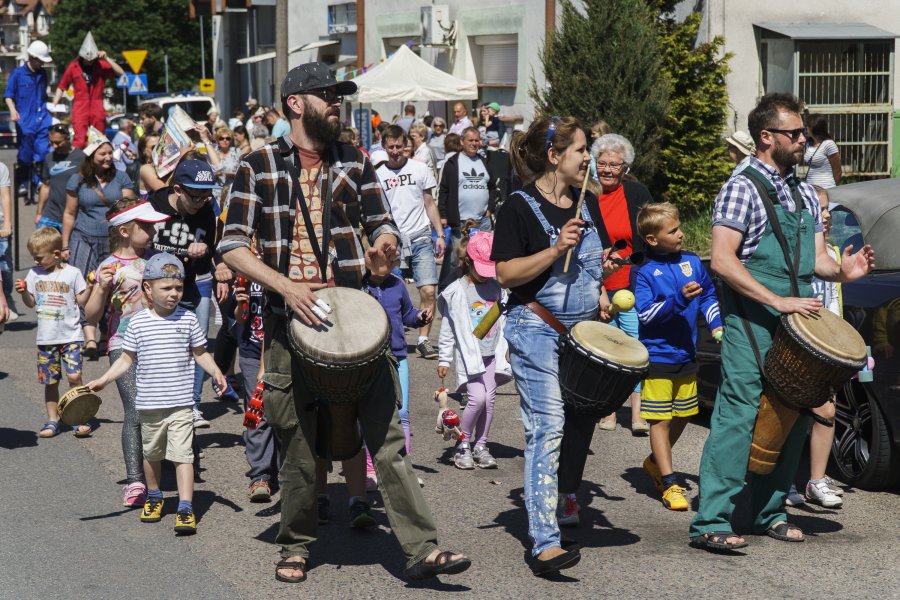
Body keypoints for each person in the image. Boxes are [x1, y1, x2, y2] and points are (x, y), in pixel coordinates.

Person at [218, 61, 470, 584]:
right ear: (295, 103)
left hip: (356, 320)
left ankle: (422, 549)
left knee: (387, 438)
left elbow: (381, 221)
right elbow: (232, 244)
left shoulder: (354, 159)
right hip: (290, 322)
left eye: (339, 95)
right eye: (327, 95)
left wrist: (385, 242)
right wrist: (283, 285)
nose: (337, 103)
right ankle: (296, 545)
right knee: (298, 442)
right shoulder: (257, 163)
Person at [689, 92, 875, 551]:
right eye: (794, 133)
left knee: (793, 410)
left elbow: (814, 261)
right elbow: (722, 260)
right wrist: (777, 300)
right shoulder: (741, 187)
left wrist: (842, 270)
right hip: (751, 318)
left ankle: (767, 512)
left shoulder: (804, 192)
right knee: (738, 413)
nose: (803, 140)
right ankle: (712, 519)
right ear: (766, 137)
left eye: (804, 133)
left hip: (798, 321)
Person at [491, 116, 618, 575]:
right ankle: (544, 544)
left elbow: (589, 265)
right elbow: (505, 274)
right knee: (547, 428)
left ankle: (564, 499)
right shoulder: (519, 207)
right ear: (554, 156)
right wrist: (552, 249)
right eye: (582, 150)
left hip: (582, 334)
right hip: (536, 328)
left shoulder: (587, 205)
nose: (589, 158)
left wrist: (602, 282)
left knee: (579, 422)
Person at [88, 252, 227, 535]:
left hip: (180, 405)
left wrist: (217, 372)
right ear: (148, 289)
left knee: (183, 455)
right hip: (149, 404)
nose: (174, 294)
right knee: (151, 455)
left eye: (178, 288)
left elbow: (200, 353)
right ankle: (154, 496)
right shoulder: (138, 323)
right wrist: (103, 379)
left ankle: (186, 506)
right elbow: (126, 360)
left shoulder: (188, 320)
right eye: (167, 288)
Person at [632, 202, 722, 511]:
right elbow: (645, 314)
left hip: (688, 352)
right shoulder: (644, 272)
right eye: (673, 231)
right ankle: (669, 483)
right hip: (657, 356)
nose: (681, 233)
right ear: (652, 239)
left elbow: (708, 294)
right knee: (660, 420)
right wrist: (678, 300)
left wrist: (716, 324)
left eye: (679, 226)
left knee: (685, 413)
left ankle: (656, 461)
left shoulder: (693, 262)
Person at [84, 198, 170, 507]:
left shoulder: (158, 260)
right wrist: (101, 288)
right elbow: (92, 316)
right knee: (134, 410)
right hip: (123, 345)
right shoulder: (108, 266)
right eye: (145, 227)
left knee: (162, 408)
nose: (151, 231)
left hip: (159, 343)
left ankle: (165, 463)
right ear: (124, 231)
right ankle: (135, 480)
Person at [148, 159, 220, 429]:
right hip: (154, 289)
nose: (202, 201)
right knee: (162, 348)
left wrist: (206, 253)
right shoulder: (154, 204)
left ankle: (193, 405)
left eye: (207, 194)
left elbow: (210, 246)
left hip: (191, 283)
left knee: (197, 344)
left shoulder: (206, 210)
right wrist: (182, 250)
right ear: (177, 189)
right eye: (196, 195)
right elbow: (142, 241)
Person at [591, 133, 655, 434]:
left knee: (634, 345)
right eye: (601, 163)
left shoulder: (637, 193)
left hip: (631, 280)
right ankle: (609, 410)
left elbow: (649, 236)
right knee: (605, 347)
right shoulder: (587, 193)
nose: (606, 170)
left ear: (625, 167)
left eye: (613, 165)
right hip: (597, 283)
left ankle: (638, 413)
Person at [437, 225, 510, 470]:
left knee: (489, 400)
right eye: (482, 269)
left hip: (492, 353)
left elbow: (505, 319)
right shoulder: (457, 291)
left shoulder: (497, 287)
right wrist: (444, 359)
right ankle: (462, 442)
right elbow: (448, 328)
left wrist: (510, 345)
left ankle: (481, 444)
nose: (486, 274)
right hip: (471, 356)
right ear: (468, 261)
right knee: (476, 398)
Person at [62, 127, 137, 358]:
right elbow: (69, 213)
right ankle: (90, 337)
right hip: (82, 236)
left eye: (109, 153)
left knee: (111, 283)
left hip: (113, 240)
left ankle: (107, 335)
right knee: (84, 284)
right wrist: (65, 245)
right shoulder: (78, 180)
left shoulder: (121, 177)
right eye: (101, 154)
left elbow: (129, 209)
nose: (107, 158)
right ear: (91, 156)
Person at [793, 186, 844, 508]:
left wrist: (842, 344)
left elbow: (835, 300)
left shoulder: (833, 253)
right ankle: (780, 482)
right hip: (797, 342)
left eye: (826, 210)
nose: (825, 216)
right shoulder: (795, 253)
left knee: (827, 410)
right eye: (818, 209)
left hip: (825, 343)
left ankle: (815, 480)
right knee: (794, 414)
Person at [374, 126, 445, 358]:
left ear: (406, 145)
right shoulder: (377, 174)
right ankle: (387, 339)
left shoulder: (420, 169)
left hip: (420, 235)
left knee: (428, 290)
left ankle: (424, 339)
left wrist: (440, 234)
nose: (395, 151)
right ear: (384, 146)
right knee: (389, 293)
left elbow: (430, 203)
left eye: (399, 146)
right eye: (390, 147)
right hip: (391, 239)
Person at [19, 227, 92, 437]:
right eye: (34, 257)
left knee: (74, 376)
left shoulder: (73, 273)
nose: (36, 261)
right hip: (46, 339)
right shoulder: (34, 274)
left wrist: (91, 286)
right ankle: (53, 419)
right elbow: (31, 303)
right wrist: (24, 292)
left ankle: (78, 417)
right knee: (50, 381)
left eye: (39, 257)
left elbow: (81, 301)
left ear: (57, 254)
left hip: (71, 336)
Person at [232, 270, 280, 502]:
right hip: (251, 353)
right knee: (256, 413)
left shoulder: (281, 268)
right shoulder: (245, 273)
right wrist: (242, 305)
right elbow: (240, 318)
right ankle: (260, 476)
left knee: (282, 412)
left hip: (280, 350)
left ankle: (283, 470)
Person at [438, 127, 493, 292]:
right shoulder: (452, 163)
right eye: (471, 140)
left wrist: (490, 209)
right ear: (462, 141)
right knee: (456, 259)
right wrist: (443, 214)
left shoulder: (484, 161)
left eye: (477, 140)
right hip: (460, 220)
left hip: (482, 221)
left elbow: (492, 187)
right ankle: (446, 290)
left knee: (484, 257)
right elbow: (444, 190)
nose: (474, 144)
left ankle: (479, 290)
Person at [52, 32, 125, 148]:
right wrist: (55, 103)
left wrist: (107, 58)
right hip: (80, 106)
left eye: (92, 59)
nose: (89, 61)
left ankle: (97, 163)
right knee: (79, 140)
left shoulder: (101, 65)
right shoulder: (74, 67)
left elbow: (120, 72)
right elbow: (62, 86)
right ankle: (79, 163)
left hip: (97, 105)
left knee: (99, 140)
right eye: (87, 59)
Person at [6, 40, 53, 202]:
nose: (41, 63)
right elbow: (8, 96)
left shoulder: (43, 74)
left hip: (41, 118)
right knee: (25, 156)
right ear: (32, 57)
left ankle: (39, 181)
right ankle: (24, 182)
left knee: (42, 152)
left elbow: (43, 96)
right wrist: (13, 111)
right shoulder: (18, 73)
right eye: (40, 60)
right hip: (24, 120)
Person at [37, 124, 84, 231]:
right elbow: (45, 186)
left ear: (68, 138)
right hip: (50, 214)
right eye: (51, 142)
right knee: (41, 246)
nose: (54, 146)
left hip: (73, 216)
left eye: (58, 142)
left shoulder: (81, 157)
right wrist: (39, 213)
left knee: (67, 248)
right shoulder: (49, 157)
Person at [803, 114, 841, 188]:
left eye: (807, 126)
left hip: (826, 188)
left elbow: (838, 171)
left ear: (815, 127)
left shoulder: (829, 144)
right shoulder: (808, 143)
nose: (805, 128)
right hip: (810, 188)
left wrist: (832, 188)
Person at [0, 161, 15, 318]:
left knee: (5, 268)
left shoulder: (1, 168)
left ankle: (7, 296)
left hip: (0, 223)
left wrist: (7, 223)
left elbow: (5, 196)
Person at [137, 133, 162, 198]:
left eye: (160, 146)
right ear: (143, 150)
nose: (159, 150)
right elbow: (164, 190)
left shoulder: (159, 166)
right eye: (154, 147)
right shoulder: (145, 169)